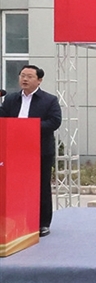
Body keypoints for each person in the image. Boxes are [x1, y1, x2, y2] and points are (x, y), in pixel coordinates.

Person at [0, 65, 62, 237]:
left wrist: (29, 127)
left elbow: (54, 122)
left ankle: (43, 223)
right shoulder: (11, 99)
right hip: (14, 150)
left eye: (29, 76)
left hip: (39, 150)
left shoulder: (49, 100)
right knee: (15, 186)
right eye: (22, 75)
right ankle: (16, 222)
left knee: (41, 186)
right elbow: (3, 118)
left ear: (39, 80)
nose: (24, 79)